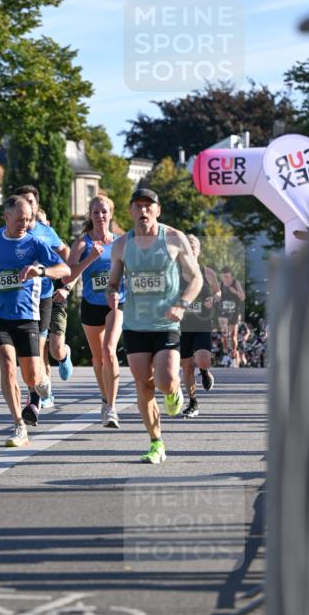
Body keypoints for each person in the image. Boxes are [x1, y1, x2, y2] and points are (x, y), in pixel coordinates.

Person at [0, 193, 69, 446]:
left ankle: (42, 383)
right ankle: (19, 426)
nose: (25, 224)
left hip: (27, 316)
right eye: (20, 219)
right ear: (7, 217)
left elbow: (64, 269)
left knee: (31, 377)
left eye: (29, 219)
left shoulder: (35, 243)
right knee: (8, 367)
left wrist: (41, 271)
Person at [106, 188, 203, 464]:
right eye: (138, 206)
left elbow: (196, 278)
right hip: (135, 324)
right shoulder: (122, 245)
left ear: (158, 210)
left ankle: (173, 390)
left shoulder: (173, 238)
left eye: (149, 206)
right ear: (131, 211)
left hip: (165, 323)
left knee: (165, 380)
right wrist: (112, 293)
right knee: (143, 384)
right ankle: (156, 442)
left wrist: (182, 304)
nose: (143, 211)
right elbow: (113, 282)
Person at [65, 193, 125, 428]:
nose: (100, 215)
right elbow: (68, 276)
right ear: (90, 215)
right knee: (98, 359)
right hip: (91, 305)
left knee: (109, 351)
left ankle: (111, 408)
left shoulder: (121, 242)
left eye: (104, 211)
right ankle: (105, 398)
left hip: (116, 303)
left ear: (111, 214)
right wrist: (90, 257)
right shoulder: (81, 244)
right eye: (96, 212)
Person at [12, 186, 71, 416]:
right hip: (20, 299)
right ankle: (44, 391)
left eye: (31, 201)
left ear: (36, 206)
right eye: (22, 201)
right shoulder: (10, 232)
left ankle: (36, 395)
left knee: (42, 349)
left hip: (45, 296)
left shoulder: (46, 232)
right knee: (34, 351)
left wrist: (67, 279)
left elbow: (66, 254)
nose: (27, 205)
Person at [179, 235, 220, 418]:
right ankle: (193, 403)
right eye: (187, 246)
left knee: (202, 359)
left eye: (193, 246)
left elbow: (218, 292)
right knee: (187, 366)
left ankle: (204, 371)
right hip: (182, 326)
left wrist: (213, 299)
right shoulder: (176, 272)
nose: (191, 249)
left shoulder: (207, 272)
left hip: (202, 323)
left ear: (198, 250)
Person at [217, 267, 245, 366]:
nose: (226, 279)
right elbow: (215, 296)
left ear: (231, 277)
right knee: (224, 333)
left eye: (227, 277)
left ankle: (233, 355)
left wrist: (235, 292)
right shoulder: (220, 284)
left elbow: (242, 297)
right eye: (224, 277)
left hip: (234, 311)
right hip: (223, 311)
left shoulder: (236, 283)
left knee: (233, 336)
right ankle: (226, 354)